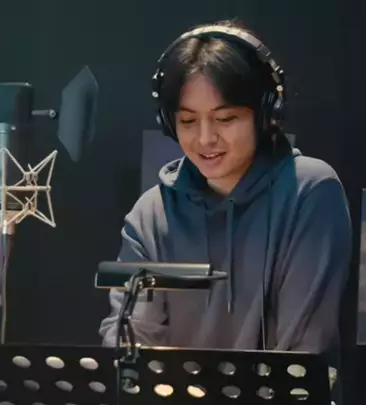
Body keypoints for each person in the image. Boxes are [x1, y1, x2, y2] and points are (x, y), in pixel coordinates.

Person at [98, 19, 352, 394]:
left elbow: (301, 354)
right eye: (188, 121)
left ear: (266, 114)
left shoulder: (310, 191)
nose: (205, 138)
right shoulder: (151, 214)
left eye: (226, 118)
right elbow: (132, 342)